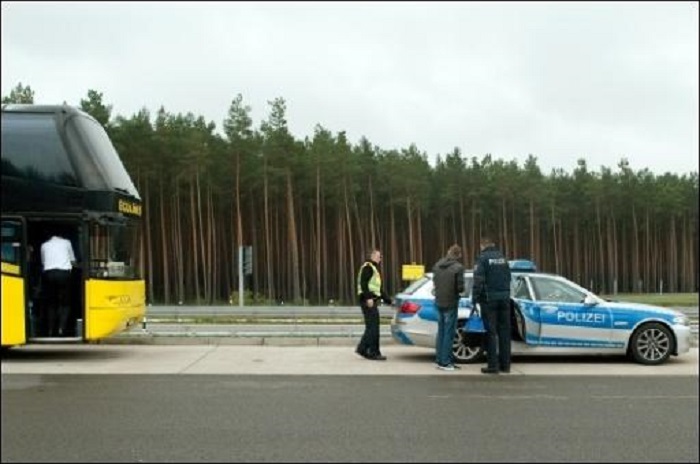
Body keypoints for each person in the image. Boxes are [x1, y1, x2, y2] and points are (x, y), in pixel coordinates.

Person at [471, 234, 512, 374]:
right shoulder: (503, 257)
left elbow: (478, 280)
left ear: (482, 245)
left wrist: (474, 298)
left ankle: (493, 366)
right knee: (505, 332)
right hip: (505, 299)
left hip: (489, 300)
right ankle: (505, 365)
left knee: (491, 332)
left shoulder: (482, 259)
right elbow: (509, 277)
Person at [432, 244, 466, 371]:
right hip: (451, 302)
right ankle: (446, 362)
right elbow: (460, 288)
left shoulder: (437, 266)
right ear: (458, 255)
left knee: (441, 332)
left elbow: (435, 284)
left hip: (439, 301)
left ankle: (440, 359)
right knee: (449, 333)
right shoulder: (458, 268)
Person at [355, 248, 392, 361]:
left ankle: (363, 349)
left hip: (370, 300)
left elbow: (379, 290)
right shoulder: (368, 267)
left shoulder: (374, 269)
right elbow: (363, 283)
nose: (380, 258)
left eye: (380, 257)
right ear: (372, 256)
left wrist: (389, 301)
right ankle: (374, 352)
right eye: (378, 256)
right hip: (368, 301)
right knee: (373, 328)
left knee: (372, 327)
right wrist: (368, 298)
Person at [40, 228, 76, 336]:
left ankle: (50, 329)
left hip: (49, 275)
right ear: (62, 235)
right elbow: (72, 261)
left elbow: (43, 262)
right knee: (65, 303)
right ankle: (61, 328)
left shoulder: (44, 245)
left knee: (51, 303)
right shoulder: (67, 242)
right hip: (64, 275)